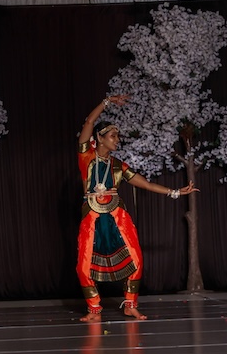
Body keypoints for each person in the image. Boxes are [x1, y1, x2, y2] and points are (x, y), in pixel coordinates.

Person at [76, 94, 198, 321]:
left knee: (135, 259)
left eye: (118, 136)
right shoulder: (86, 157)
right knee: (84, 264)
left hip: (117, 215)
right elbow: (90, 122)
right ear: (100, 138)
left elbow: (147, 184)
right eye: (113, 136)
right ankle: (93, 309)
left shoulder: (119, 166)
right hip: (91, 215)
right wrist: (107, 102)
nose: (117, 140)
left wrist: (175, 192)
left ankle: (130, 305)